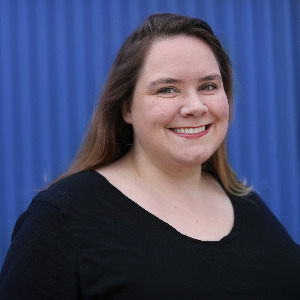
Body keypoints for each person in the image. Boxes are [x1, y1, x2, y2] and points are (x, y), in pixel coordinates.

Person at [0, 13, 299, 299]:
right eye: (167, 89)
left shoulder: (247, 203)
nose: (195, 106)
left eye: (208, 86)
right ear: (127, 107)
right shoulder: (61, 218)